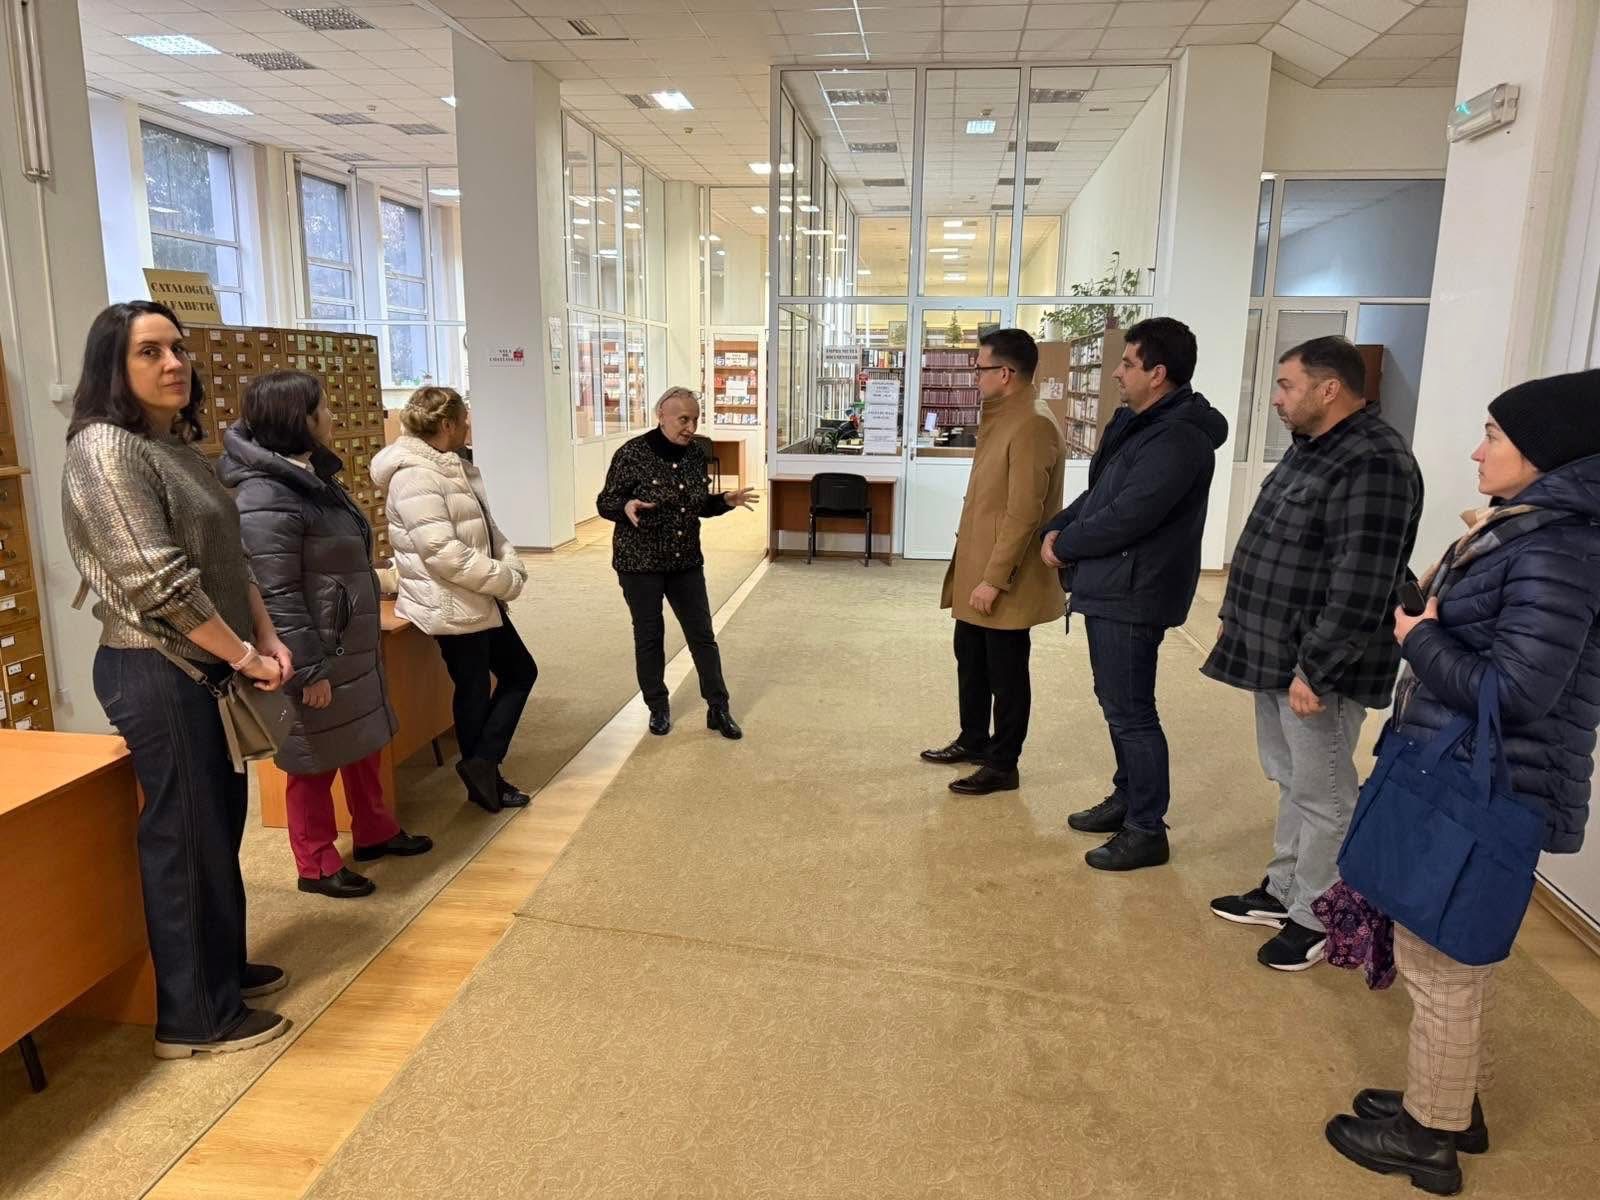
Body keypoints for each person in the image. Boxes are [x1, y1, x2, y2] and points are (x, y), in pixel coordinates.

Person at [1325, 371, 1600, 1195]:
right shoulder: (1531, 531)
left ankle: (1429, 1136)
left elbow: (1514, 693)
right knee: (1438, 948)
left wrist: (1419, 638)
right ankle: (1449, 1102)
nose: (1478, 452)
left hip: (1488, 785)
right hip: (1465, 771)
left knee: (1442, 962)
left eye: (1494, 436)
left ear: (1544, 452)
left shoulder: (1553, 548)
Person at [61, 301, 292, 1059]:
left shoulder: (173, 446)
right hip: (158, 668)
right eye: (149, 352)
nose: (173, 364)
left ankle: (221, 970)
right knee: (185, 838)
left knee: (216, 826)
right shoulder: (104, 449)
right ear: (113, 367)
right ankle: (195, 1017)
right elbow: (158, 584)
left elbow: (229, 558)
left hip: (210, 663)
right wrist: (245, 657)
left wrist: (264, 635)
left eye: (178, 349)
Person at [1205, 337, 1423, 972]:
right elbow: (1274, 547)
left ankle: (1318, 915)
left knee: (1325, 792)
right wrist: (1234, 620)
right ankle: (1284, 889)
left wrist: (1316, 670)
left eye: (1287, 385)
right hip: (1275, 650)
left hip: (1317, 667)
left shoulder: (1375, 461)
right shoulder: (1314, 448)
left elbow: (1363, 580)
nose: (1276, 399)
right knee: (1293, 780)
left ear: (1330, 389)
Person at [218, 371, 433, 900]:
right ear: (301, 419)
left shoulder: (307, 473)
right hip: (315, 647)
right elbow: (275, 590)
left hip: (345, 637)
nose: (333, 416)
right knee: (312, 756)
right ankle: (314, 862)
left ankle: (375, 830)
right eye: (324, 408)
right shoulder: (264, 493)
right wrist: (308, 669)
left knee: (363, 739)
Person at [1039, 317, 1228, 872]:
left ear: (1158, 374)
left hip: (1136, 588)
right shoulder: (1138, 424)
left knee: (1131, 711)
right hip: (1115, 583)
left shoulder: (1178, 438)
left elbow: (1131, 515)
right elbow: (1102, 495)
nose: (1117, 373)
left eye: (1128, 363)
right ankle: (1128, 797)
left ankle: (1147, 828)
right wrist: (1057, 525)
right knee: (1116, 701)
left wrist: (1067, 544)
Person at [370, 387, 535, 813]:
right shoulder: (414, 476)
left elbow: (485, 528)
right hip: (449, 601)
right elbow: (442, 553)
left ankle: (482, 767)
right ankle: (483, 773)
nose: (468, 427)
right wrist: (502, 579)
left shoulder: (451, 466)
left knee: (514, 674)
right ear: (446, 425)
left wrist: (508, 561)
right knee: (479, 685)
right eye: (464, 420)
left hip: (476, 595)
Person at [922, 328, 1065, 795]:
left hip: (1003, 576)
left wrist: (994, 580)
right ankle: (973, 739)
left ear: (1005, 373)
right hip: (977, 566)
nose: (975, 377)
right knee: (971, 658)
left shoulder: (1032, 424)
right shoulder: (1004, 415)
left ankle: (1004, 764)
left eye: (980, 369)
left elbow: (1024, 513)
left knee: (1006, 672)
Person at [596, 386, 758, 738]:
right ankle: (657, 706)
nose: (690, 427)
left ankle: (718, 706)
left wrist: (724, 500)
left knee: (702, 635)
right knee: (650, 635)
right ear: (661, 416)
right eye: (683, 419)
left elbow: (697, 505)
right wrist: (624, 507)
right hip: (640, 563)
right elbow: (605, 502)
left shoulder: (696, 454)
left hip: (685, 560)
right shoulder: (632, 454)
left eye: (695, 419)